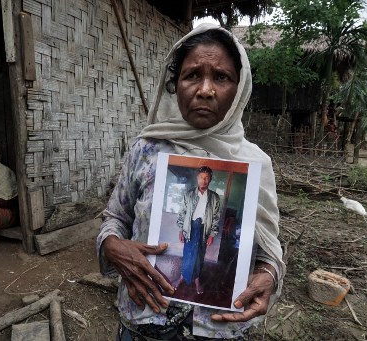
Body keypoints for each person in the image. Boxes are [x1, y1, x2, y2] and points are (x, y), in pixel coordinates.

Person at [98, 24, 285, 340]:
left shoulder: (256, 163)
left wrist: (268, 274)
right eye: (192, 75)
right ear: (175, 84)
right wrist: (113, 246)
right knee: (187, 259)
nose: (206, 90)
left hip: (218, 328)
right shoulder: (146, 149)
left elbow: (268, 249)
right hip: (144, 323)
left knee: (199, 262)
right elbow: (115, 218)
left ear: (239, 89)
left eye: (221, 77)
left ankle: (197, 282)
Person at [173, 166, 220, 295]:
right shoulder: (188, 194)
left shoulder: (215, 197)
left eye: (207, 178)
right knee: (187, 253)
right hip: (190, 228)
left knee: (199, 255)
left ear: (210, 180)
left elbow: (216, 217)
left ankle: (197, 281)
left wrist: (212, 234)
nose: (203, 180)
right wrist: (181, 230)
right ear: (197, 178)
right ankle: (182, 277)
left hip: (204, 230)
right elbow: (182, 213)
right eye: (201, 177)